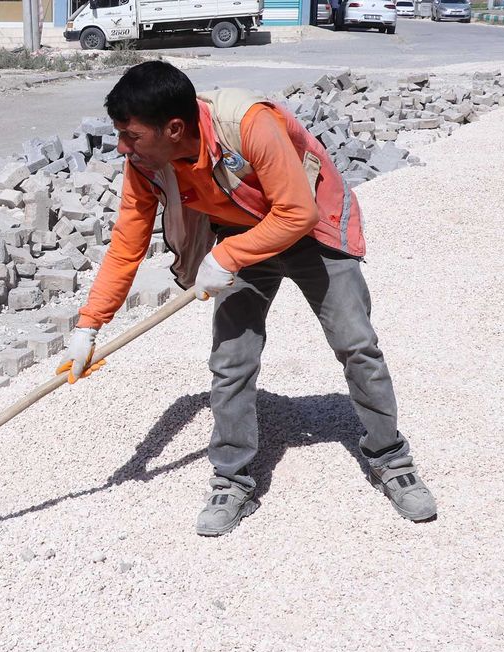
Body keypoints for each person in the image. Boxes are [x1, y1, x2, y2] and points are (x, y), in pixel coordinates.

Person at [57, 61, 436, 536]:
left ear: (173, 129)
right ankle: (232, 479)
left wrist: (227, 256)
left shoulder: (247, 123)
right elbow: (125, 245)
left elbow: (296, 211)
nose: (121, 147)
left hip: (309, 226)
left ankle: (390, 459)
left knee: (356, 344)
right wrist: (89, 325)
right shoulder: (146, 164)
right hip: (242, 235)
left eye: (130, 135)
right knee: (231, 362)